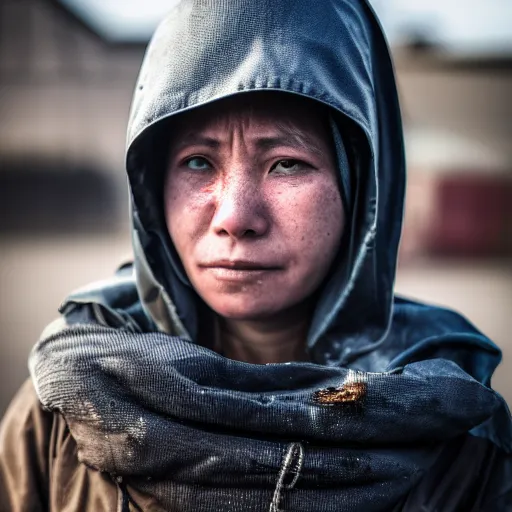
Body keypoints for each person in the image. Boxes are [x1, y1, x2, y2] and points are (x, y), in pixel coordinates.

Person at [1, 0, 511, 510]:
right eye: (198, 162)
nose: (235, 217)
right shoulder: (67, 403)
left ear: (362, 190)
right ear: (152, 187)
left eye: (286, 164)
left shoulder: (460, 430)